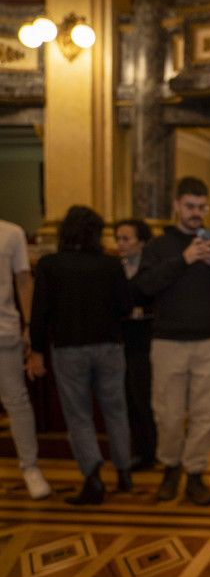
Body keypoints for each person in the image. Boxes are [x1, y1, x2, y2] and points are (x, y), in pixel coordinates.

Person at [135, 177, 210, 506]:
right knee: (167, 413)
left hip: (209, 341)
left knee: (205, 412)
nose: (197, 213)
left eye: (202, 207)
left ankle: (195, 474)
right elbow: (145, 285)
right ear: (177, 206)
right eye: (191, 207)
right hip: (168, 342)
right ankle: (171, 468)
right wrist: (184, 258)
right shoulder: (158, 246)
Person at [27, 206, 133, 505]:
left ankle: (93, 477)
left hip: (69, 348)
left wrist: (36, 351)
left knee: (79, 415)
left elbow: (39, 313)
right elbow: (125, 306)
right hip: (110, 346)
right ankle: (124, 471)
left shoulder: (50, 264)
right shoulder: (110, 265)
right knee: (116, 409)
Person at [0, 218, 51, 500]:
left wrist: (31, 327)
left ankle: (30, 468)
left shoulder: (11, 233)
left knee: (17, 402)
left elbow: (23, 281)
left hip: (4, 331)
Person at [115, 218, 157, 472]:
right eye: (118, 238)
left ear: (141, 242)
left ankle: (152, 451)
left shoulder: (150, 270)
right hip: (122, 341)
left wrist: (140, 312)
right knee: (127, 398)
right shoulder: (115, 269)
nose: (120, 244)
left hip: (146, 340)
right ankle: (140, 451)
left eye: (126, 238)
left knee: (144, 398)